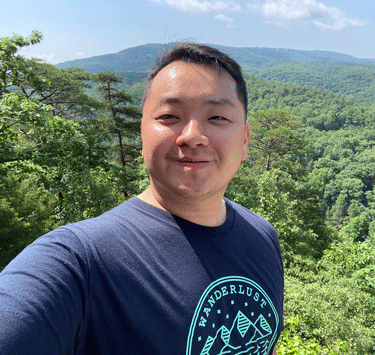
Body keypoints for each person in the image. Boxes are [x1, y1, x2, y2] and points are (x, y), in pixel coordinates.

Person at [0, 43, 283, 354]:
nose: (192, 135)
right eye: (169, 115)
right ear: (142, 133)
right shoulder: (80, 263)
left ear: (244, 140)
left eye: (217, 117)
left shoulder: (262, 237)